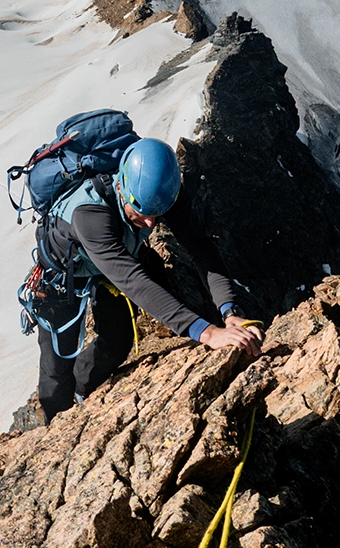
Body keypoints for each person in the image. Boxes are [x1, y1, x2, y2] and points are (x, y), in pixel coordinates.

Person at [27, 137, 262, 418]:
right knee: (56, 372)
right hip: (62, 276)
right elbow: (133, 281)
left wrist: (229, 310)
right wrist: (208, 333)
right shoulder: (89, 215)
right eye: (142, 212)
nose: (151, 223)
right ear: (121, 188)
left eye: (156, 215)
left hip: (115, 258)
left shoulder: (161, 193)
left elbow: (200, 247)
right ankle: (57, 420)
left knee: (118, 340)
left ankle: (82, 392)